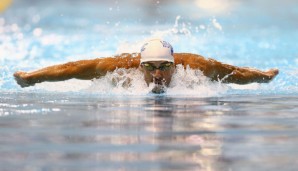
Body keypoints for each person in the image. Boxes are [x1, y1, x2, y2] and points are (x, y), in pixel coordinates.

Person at [14, 39, 279, 93]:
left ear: (175, 65)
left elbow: (236, 73)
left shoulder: (196, 66)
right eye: (149, 67)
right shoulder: (120, 68)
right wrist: (32, 78)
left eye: (164, 67)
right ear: (140, 67)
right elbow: (71, 68)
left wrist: (264, 76)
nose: (157, 74)